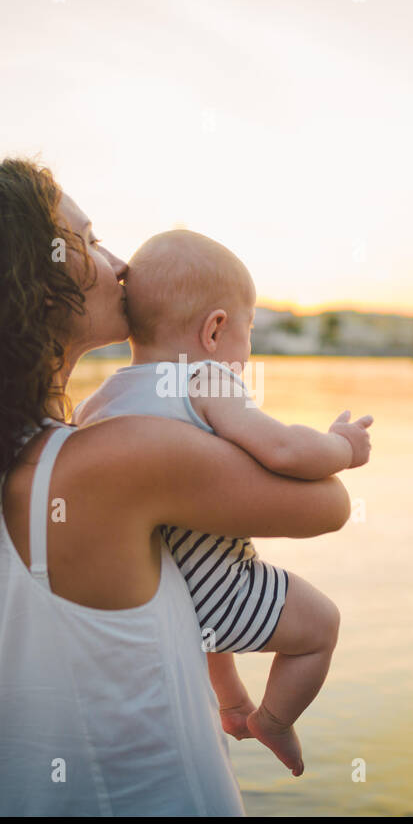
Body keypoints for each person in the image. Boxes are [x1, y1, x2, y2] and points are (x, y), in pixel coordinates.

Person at [0, 158, 351, 815]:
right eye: (87, 242)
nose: (120, 264)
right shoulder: (112, 462)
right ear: (23, 286)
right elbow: (328, 504)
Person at [75, 229, 373, 776]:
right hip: (222, 588)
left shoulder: (101, 399)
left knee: (209, 606)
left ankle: (231, 702)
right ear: (214, 329)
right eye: (248, 329)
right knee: (321, 627)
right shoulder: (205, 378)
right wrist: (342, 448)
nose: (248, 348)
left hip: (160, 591)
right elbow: (282, 447)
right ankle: (274, 719)